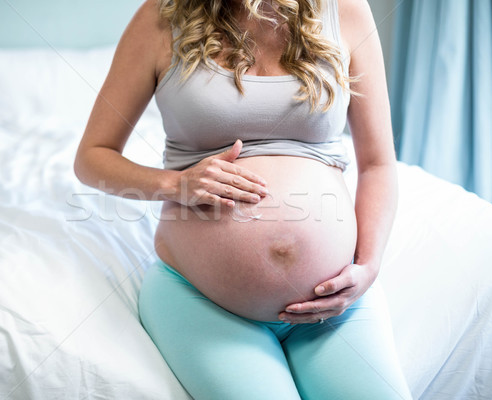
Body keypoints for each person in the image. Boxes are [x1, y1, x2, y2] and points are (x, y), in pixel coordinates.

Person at [74, 0, 413, 398]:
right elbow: (92, 156)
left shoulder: (346, 11)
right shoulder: (162, 16)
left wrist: (368, 268)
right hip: (202, 301)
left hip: (335, 304)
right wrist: (176, 184)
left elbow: (377, 164)